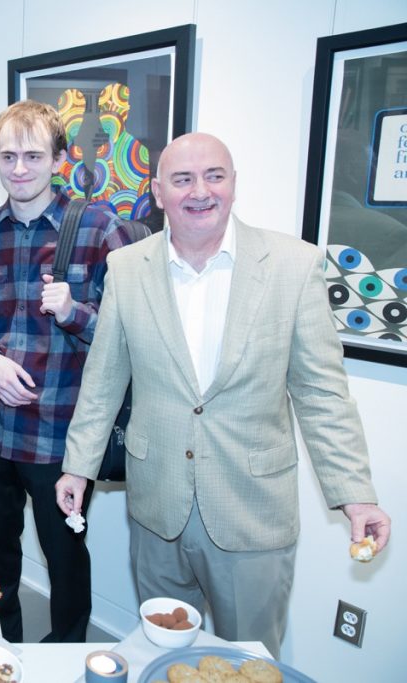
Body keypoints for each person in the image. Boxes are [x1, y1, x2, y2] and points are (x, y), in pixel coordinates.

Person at [55, 132, 392, 657]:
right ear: (158, 192)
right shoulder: (126, 267)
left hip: (251, 512)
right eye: (182, 179)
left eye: (214, 176)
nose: (200, 191)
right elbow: (103, 379)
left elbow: (321, 392)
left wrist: (356, 494)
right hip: (157, 507)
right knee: (164, 655)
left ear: (234, 183)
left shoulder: (294, 265)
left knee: (247, 661)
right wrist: (78, 467)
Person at [0, 100, 136, 642]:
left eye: (33, 156)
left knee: (65, 558)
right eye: (8, 156)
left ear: (58, 159)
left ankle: (66, 658)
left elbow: (132, 335)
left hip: (62, 436)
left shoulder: (101, 231)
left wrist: (74, 311)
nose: (19, 168)